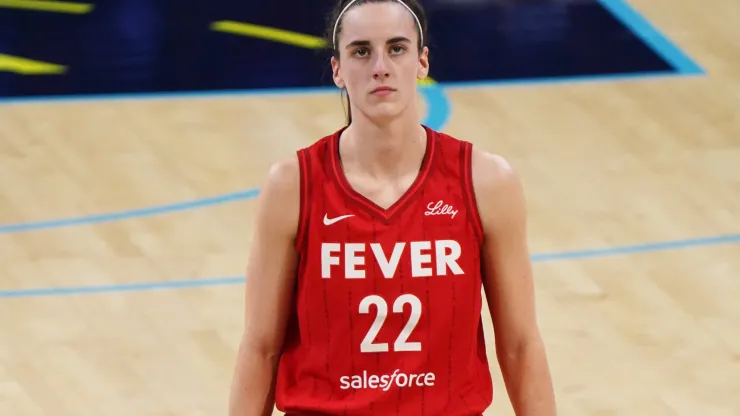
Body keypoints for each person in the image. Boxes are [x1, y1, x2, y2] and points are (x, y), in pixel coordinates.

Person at [228, 0, 556, 415]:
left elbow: (521, 345)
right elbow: (260, 348)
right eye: (361, 51)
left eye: (396, 49)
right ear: (337, 70)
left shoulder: (485, 182)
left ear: (422, 63)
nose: (379, 66)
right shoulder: (292, 185)